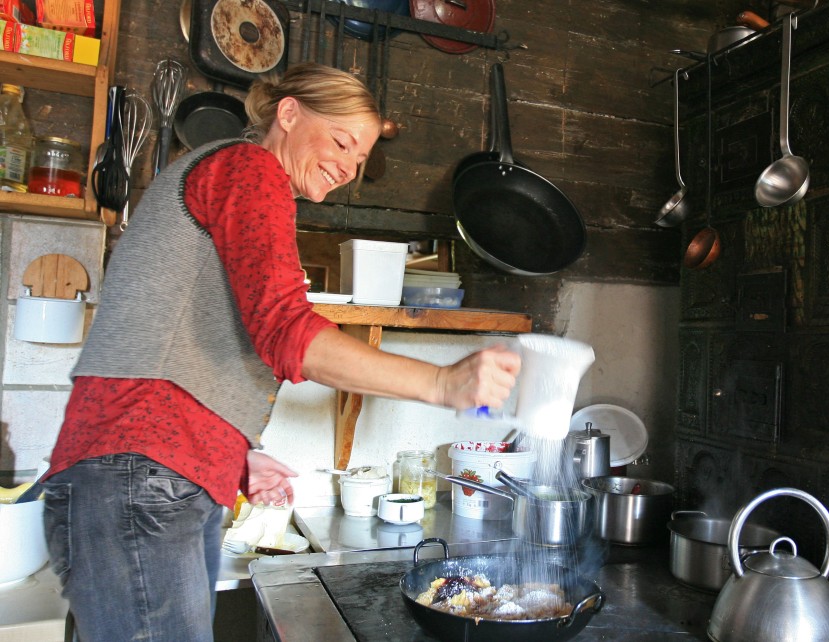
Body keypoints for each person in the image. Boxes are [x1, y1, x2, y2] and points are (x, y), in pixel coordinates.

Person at [41, 63, 521, 642]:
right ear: (289, 114)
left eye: (360, 159)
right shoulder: (249, 169)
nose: (349, 167)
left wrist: (233, 452)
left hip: (139, 472)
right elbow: (286, 331)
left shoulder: (223, 170)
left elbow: (177, 335)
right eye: (341, 142)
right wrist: (443, 384)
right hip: (140, 475)